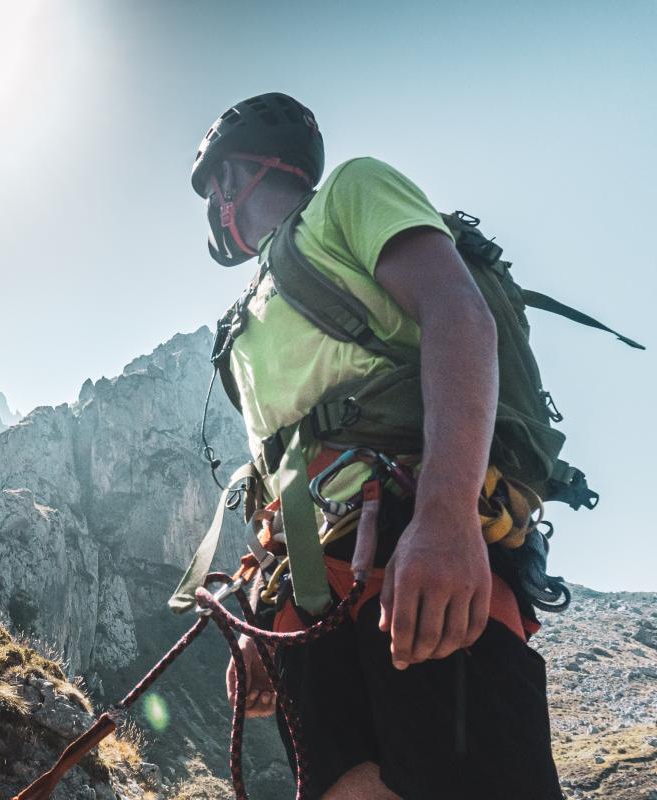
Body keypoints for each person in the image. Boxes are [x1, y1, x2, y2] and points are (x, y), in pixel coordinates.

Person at [193, 93, 560, 798]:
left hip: (410, 549)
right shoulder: (240, 323)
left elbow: (459, 315)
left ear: (232, 176)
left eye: (216, 185)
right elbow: (276, 478)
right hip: (307, 593)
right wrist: (259, 627)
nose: (213, 204)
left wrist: (448, 518)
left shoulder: (350, 194)